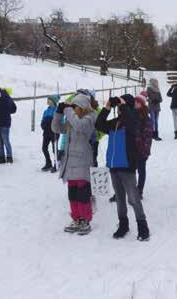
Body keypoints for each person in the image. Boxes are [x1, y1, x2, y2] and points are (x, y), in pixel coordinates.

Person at [96, 94, 150, 241]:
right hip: (114, 166)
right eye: (119, 106)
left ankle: (143, 226)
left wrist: (124, 104)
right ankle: (123, 225)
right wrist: (107, 107)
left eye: (122, 106)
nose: (120, 108)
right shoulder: (115, 122)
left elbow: (131, 120)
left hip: (127, 166)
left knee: (133, 198)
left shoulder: (133, 122)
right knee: (120, 199)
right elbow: (99, 125)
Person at [52, 94, 97, 235]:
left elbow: (80, 126)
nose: (73, 109)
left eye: (75, 107)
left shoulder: (91, 117)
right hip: (70, 161)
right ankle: (76, 218)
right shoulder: (72, 119)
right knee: (72, 194)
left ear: (83, 107)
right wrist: (58, 113)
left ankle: (86, 220)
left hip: (83, 161)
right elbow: (56, 128)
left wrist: (68, 110)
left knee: (83, 193)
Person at [134, 94, 153, 198]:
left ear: (141, 104)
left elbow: (148, 136)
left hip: (141, 149)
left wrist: (145, 150)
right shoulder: (131, 114)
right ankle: (130, 189)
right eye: (135, 102)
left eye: (137, 102)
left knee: (141, 170)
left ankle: (139, 190)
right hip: (132, 148)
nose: (135, 103)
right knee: (130, 170)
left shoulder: (146, 117)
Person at [40, 95, 60, 172]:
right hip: (46, 132)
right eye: (47, 99)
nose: (47, 101)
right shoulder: (46, 111)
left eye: (49, 99)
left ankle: (56, 164)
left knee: (54, 149)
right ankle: (48, 163)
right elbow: (43, 120)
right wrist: (43, 125)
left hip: (55, 132)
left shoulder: (57, 110)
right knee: (44, 148)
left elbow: (61, 121)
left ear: (53, 101)